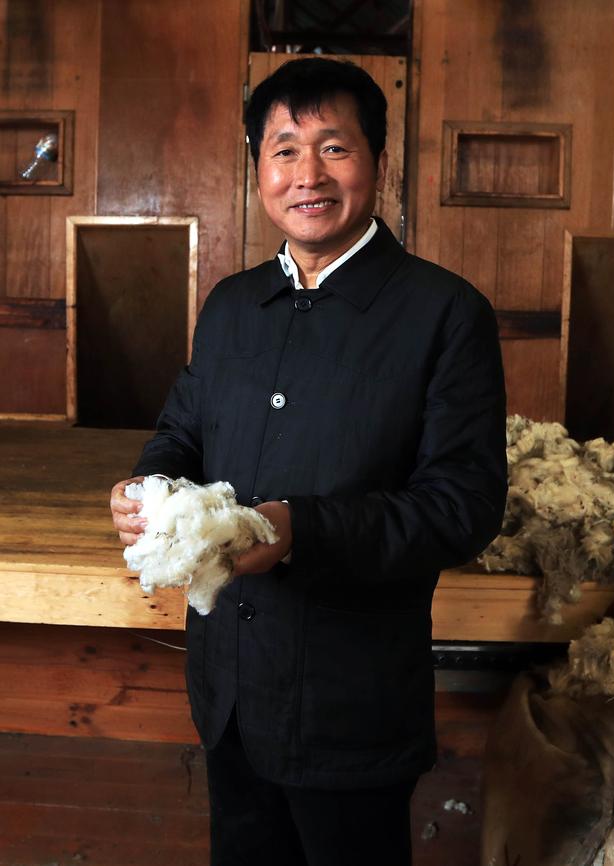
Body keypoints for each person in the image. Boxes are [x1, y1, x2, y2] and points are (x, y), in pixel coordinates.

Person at [110, 57, 507, 866]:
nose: (307, 175)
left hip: (350, 703)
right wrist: (144, 485)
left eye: (335, 148)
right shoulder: (229, 307)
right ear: (258, 167)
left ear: (380, 165)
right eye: (284, 149)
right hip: (228, 694)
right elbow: (180, 434)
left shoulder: (444, 313)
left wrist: (302, 529)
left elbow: (463, 505)